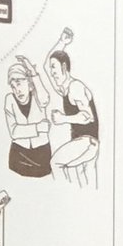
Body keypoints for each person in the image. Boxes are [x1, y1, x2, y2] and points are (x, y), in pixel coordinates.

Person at [44, 28, 100, 187]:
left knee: (55, 163)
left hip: (87, 141)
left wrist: (63, 118)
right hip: (85, 143)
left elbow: (87, 116)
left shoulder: (75, 87)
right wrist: (62, 42)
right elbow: (46, 64)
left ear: (64, 67)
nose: (51, 73)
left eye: (54, 68)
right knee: (85, 183)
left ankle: (60, 193)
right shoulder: (64, 89)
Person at [4, 55, 52, 177]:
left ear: (29, 83)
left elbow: (45, 99)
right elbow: (14, 132)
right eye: (13, 87)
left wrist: (33, 73)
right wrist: (38, 128)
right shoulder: (9, 100)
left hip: (41, 154)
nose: (17, 90)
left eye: (19, 84)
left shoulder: (38, 95)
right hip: (18, 154)